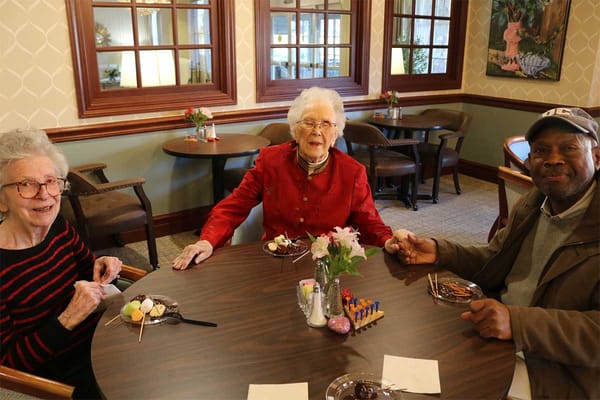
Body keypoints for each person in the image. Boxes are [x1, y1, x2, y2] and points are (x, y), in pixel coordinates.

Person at [396, 107, 599, 399]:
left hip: (555, 372)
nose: (553, 159)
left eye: (568, 148)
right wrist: (440, 252)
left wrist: (517, 323)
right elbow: (494, 261)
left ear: (597, 156)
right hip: (496, 336)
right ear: (530, 161)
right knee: (409, 362)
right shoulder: (534, 203)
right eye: (541, 150)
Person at [173, 87, 403, 269]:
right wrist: (207, 240)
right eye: (309, 123)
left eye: (325, 124)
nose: (317, 131)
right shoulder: (271, 161)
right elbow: (233, 206)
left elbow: (370, 223)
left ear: (335, 134)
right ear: (295, 128)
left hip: (328, 267)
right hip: (275, 262)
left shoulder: (352, 173)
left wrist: (388, 241)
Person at [0, 129, 123, 399]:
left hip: (105, 340)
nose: (44, 194)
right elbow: (8, 366)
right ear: (2, 200)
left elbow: (89, 274)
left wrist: (103, 268)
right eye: (26, 184)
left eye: (51, 181)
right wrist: (69, 317)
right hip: (64, 380)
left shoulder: (58, 227)